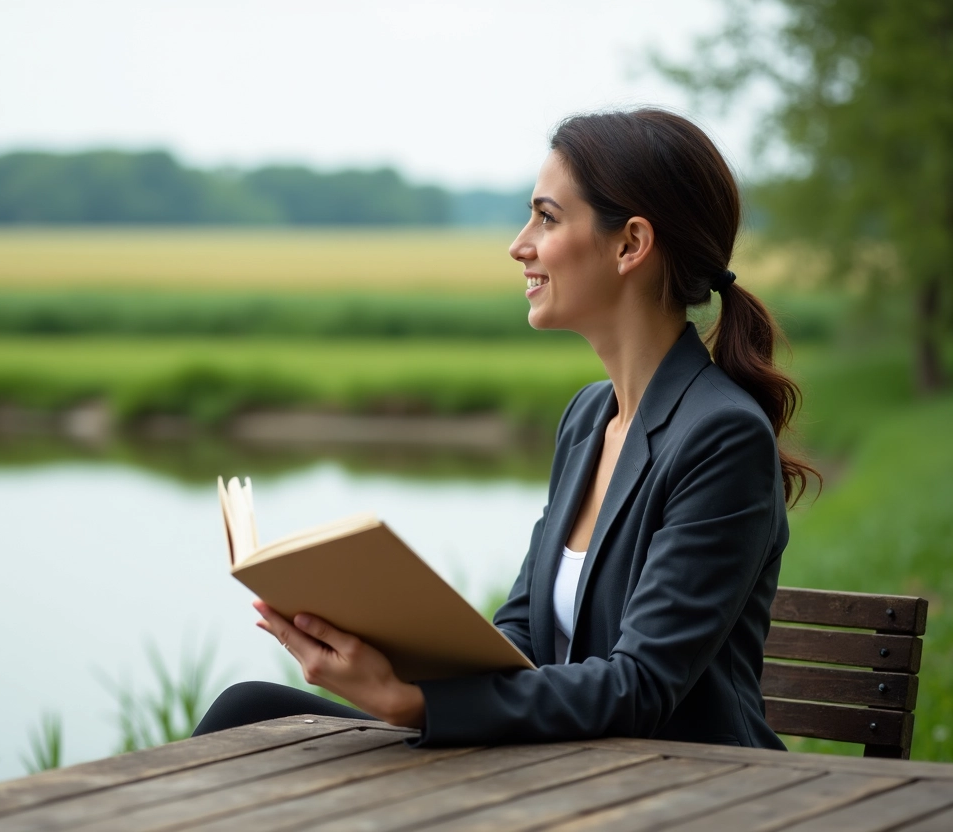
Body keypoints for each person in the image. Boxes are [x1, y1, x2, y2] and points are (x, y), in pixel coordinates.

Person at [193, 108, 821, 748]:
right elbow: (520, 635)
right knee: (247, 707)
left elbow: (642, 687)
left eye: (547, 218)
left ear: (631, 244)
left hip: (673, 781)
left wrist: (414, 703)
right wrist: (380, 646)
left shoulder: (722, 436)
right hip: (559, 756)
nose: (519, 244)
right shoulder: (588, 418)